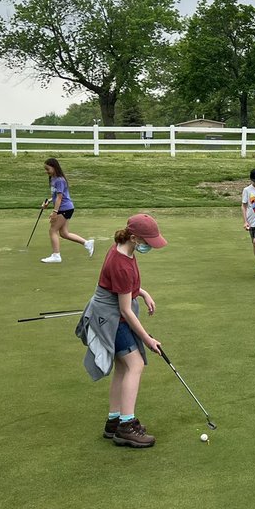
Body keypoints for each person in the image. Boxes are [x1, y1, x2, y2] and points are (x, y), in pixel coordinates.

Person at [74, 213, 168, 448]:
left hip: (112, 314)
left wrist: (143, 293)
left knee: (123, 367)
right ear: (134, 238)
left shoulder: (123, 249)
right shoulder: (122, 264)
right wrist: (147, 339)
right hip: (111, 319)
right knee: (135, 364)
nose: (150, 246)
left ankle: (114, 421)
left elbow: (124, 287)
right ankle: (126, 426)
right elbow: (125, 310)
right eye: (147, 241)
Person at [40, 157, 94, 264]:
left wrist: (54, 212)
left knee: (52, 230)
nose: (46, 171)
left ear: (54, 167)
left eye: (48, 169)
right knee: (64, 233)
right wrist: (49, 201)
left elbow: (60, 198)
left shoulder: (60, 180)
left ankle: (56, 255)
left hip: (64, 208)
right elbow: (56, 195)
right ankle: (87, 243)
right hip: (66, 208)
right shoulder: (53, 179)